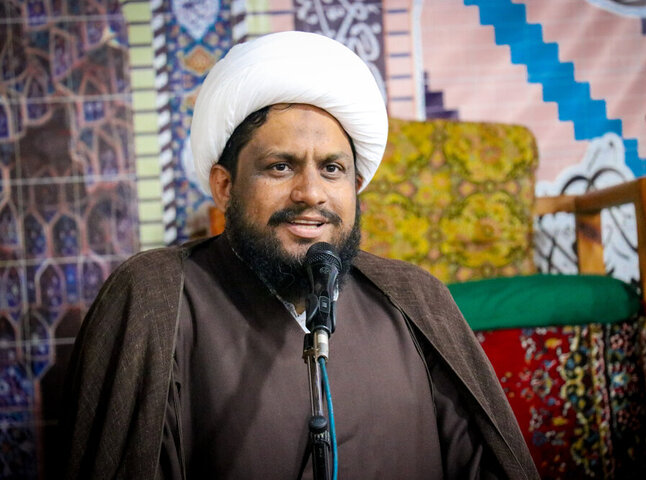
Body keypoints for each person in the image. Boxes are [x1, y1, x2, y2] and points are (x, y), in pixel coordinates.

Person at [60, 31, 538, 479]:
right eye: (280, 166)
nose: (311, 192)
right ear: (224, 186)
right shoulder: (155, 295)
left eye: (332, 169)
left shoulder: (417, 297)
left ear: (355, 186)